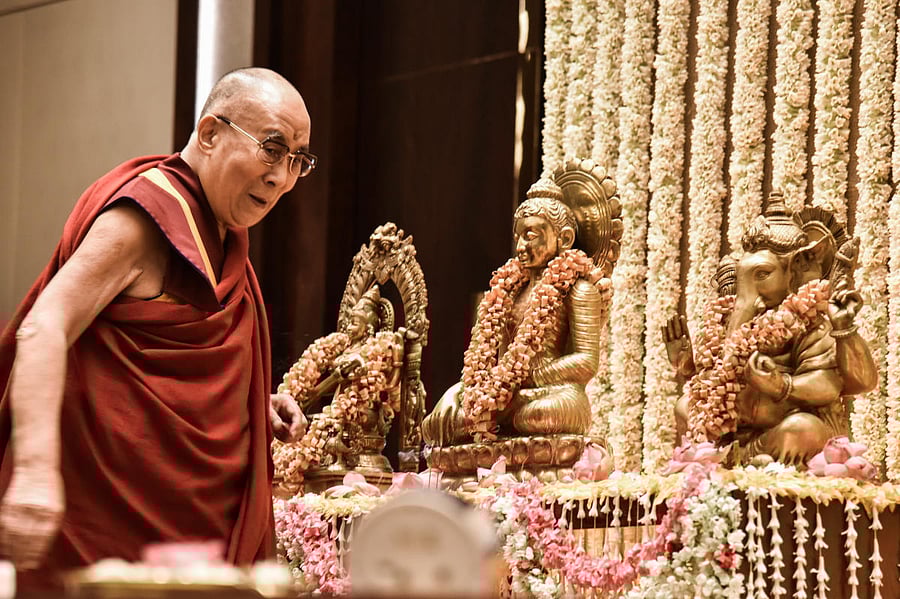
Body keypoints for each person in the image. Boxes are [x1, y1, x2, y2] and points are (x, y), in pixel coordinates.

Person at [0, 67, 310, 588]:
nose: (281, 177)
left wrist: (256, 399)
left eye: (298, 161)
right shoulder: (144, 219)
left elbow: (185, 356)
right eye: (272, 150)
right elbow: (44, 327)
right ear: (210, 134)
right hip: (102, 520)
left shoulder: (222, 234)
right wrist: (34, 471)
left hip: (187, 536)